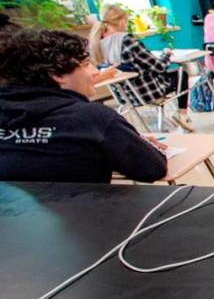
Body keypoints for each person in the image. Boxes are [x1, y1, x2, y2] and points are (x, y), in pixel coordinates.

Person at [0, 29, 167, 183]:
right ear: (58, 74)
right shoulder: (93, 119)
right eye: (86, 64)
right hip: (83, 212)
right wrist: (137, 142)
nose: (95, 72)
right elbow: (153, 169)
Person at [89, 4, 192, 131]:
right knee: (181, 73)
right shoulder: (127, 40)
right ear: (122, 20)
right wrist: (166, 54)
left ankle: (178, 115)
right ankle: (182, 113)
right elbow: (160, 67)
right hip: (148, 92)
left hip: (125, 96)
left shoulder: (97, 44)